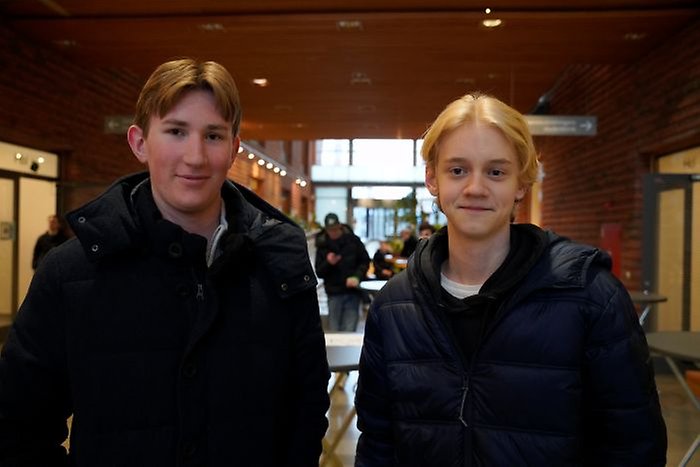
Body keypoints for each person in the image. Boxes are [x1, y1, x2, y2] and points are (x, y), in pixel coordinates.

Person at [0, 58, 330, 466]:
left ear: (233, 149)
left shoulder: (280, 263)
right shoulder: (70, 272)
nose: (195, 156)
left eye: (213, 135)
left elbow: (306, 405)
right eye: (176, 131)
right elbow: (19, 423)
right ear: (139, 142)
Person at [354, 93, 667, 466]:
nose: (475, 187)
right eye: (458, 170)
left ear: (521, 183)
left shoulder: (591, 297)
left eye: (496, 172)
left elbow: (633, 446)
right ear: (432, 178)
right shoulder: (393, 307)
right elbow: (378, 443)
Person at [315, 212, 370, 332]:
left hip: (353, 292)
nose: (333, 233)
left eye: (335, 229)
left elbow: (364, 261)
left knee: (349, 331)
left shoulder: (353, 241)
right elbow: (319, 272)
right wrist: (328, 263)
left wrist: (357, 276)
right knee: (335, 331)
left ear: (340, 226)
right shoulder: (322, 245)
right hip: (334, 293)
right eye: (330, 230)